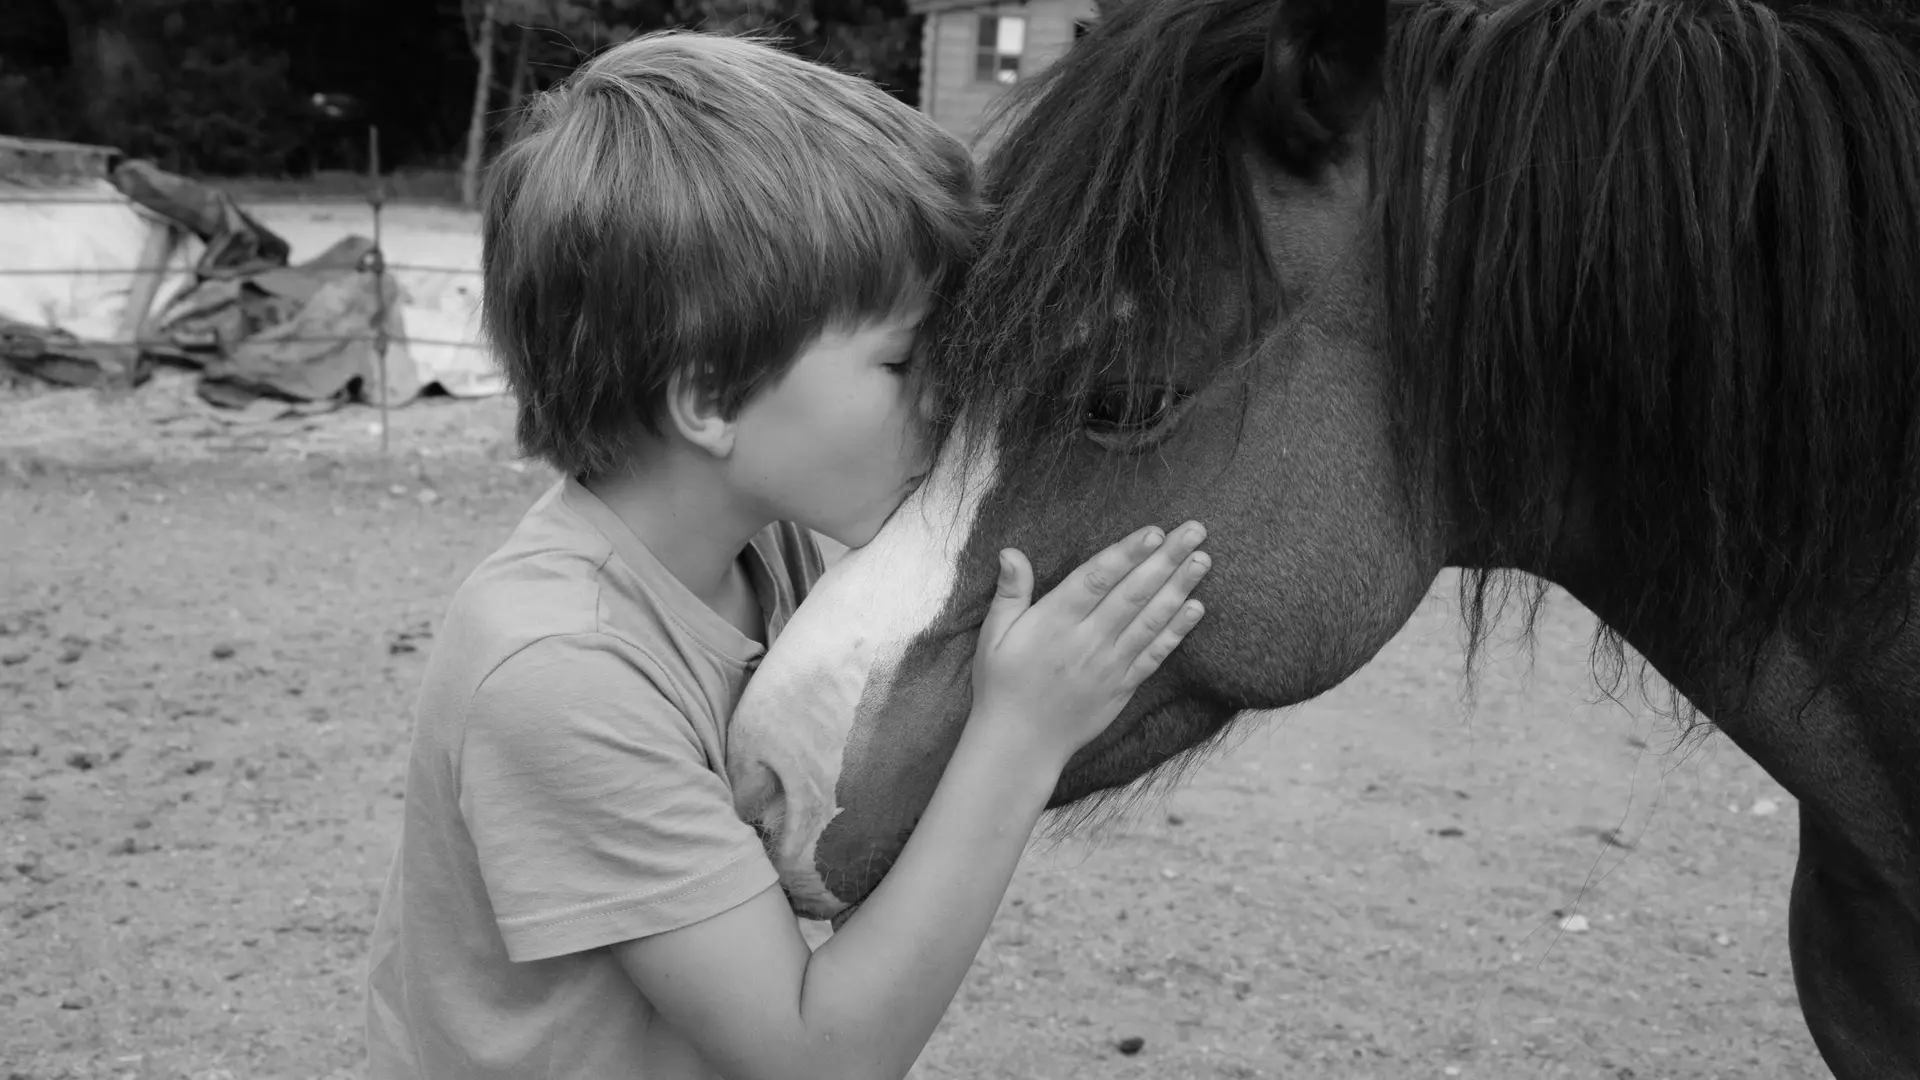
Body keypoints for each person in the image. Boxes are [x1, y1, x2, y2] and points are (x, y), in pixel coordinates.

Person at [362, 29, 1212, 1080]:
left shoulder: (773, 543)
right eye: (903, 360)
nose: (944, 399)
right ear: (712, 396)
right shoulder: (557, 671)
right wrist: (1022, 736)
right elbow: (819, 1057)